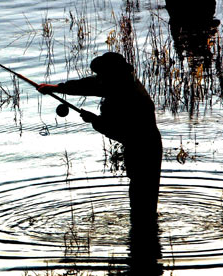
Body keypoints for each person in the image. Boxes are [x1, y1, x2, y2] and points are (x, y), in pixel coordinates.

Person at [38, 52, 163, 273]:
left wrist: (94, 121)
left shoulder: (130, 95)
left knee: (142, 204)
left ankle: (144, 256)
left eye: (102, 75)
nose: (99, 79)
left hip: (144, 149)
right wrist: (56, 88)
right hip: (143, 147)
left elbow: (122, 132)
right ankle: (146, 252)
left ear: (112, 74)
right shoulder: (119, 83)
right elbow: (91, 86)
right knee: (141, 203)